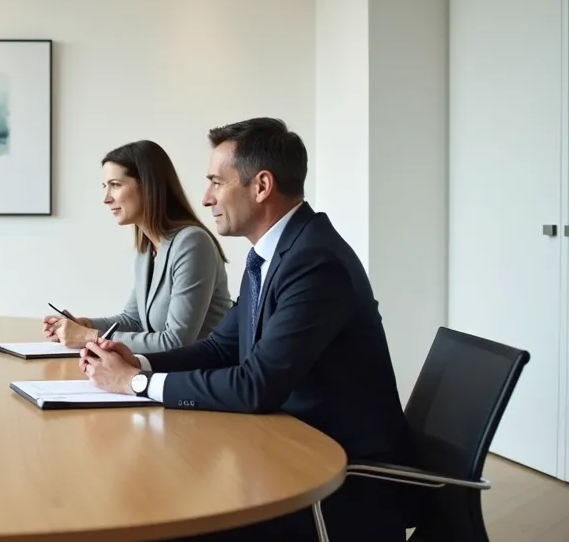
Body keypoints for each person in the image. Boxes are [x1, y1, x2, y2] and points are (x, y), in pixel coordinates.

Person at [81, 118, 419, 542]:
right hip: (288, 449)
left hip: (338, 482)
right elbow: (221, 348)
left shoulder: (315, 262)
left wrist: (138, 383)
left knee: (169, 517)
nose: (205, 198)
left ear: (261, 186)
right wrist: (141, 360)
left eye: (216, 183)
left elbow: (256, 385)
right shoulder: (273, 255)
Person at [41, 140, 230, 353]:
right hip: (160, 372)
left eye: (115, 185)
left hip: (198, 377)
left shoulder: (192, 243)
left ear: (148, 186)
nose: (106, 198)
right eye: (105, 186)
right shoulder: (147, 250)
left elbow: (176, 343)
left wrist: (89, 337)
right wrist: (87, 325)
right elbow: (134, 319)